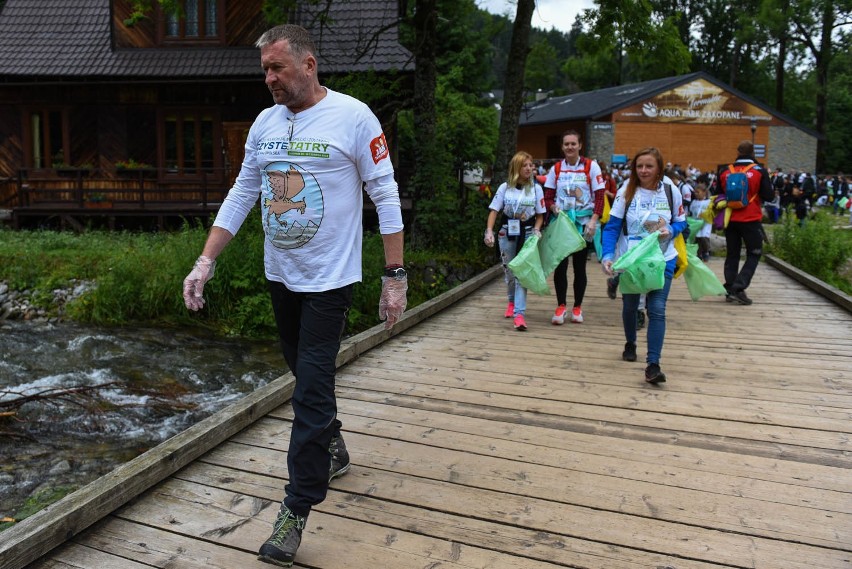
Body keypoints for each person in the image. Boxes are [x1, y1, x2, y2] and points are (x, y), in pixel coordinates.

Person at [180, 24, 406, 568]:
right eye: (264, 70)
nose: (269, 79)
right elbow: (242, 193)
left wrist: (394, 275)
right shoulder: (265, 123)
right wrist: (205, 260)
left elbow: (385, 193)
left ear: (308, 64)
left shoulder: (354, 117)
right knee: (303, 379)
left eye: (277, 68)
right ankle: (333, 443)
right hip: (281, 275)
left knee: (308, 391)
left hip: (331, 280)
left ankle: (294, 510)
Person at [601, 147, 687, 385]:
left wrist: (670, 229)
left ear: (659, 167)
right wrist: (607, 255)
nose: (644, 170)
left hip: (662, 258)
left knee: (657, 309)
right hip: (632, 259)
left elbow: (681, 222)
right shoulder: (626, 192)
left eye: (649, 166)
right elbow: (612, 226)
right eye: (639, 166)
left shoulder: (671, 190)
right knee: (630, 306)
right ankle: (630, 342)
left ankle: (653, 365)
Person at [543, 129, 605, 324]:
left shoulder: (591, 166)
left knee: (580, 267)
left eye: (573, 144)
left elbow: (600, 197)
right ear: (562, 147)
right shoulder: (556, 169)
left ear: (580, 145)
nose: (570, 147)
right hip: (562, 223)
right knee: (560, 267)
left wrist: (594, 221)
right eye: (566, 144)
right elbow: (548, 196)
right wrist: (553, 208)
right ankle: (561, 306)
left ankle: (577, 307)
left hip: (583, 223)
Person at [484, 151, 545, 331]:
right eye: (524, 165)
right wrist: (489, 231)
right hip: (508, 231)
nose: (528, 168)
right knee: (509, 271)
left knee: (521, 274)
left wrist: (536, 229)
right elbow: (494, 211)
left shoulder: (536, 188)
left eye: (530, 165)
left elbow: (541, 215)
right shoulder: (505, 187)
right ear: (516, 168)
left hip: (526, 233)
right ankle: (511, 302)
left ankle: (520, 315)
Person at [716, 140, 774, 305]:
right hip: (751, 219)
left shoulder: (725, 170)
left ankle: (729, 287)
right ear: (752, 153)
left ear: (738, 151)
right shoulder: (759, 171)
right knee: (754, 253)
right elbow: (769, 196)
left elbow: (718, 195)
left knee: (732, 254)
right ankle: (739, 287)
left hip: (730, 218)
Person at [689, 183, 713, 261]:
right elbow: (691, 212)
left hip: (705, 223)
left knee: (704, 237)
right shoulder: (694, 202)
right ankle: (699, 253)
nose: (696, 194)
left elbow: (711, 212)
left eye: (698, 192)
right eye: (695, 192)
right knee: (697, 238)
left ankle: (706, 252)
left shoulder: (709, 202)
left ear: (704, 192)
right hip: (696, 223)